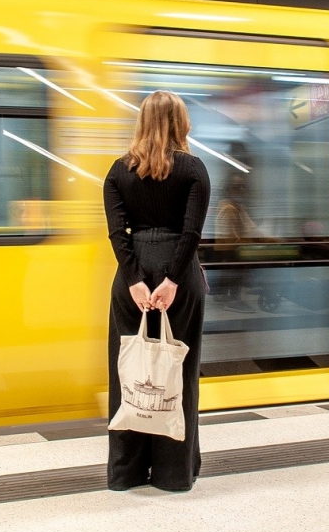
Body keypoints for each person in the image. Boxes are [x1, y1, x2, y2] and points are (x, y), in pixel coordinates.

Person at [103, 90, 210, 492]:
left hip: (130, 280)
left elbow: (118, 233)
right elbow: (192, 233)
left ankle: (126, 473)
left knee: (128, 372)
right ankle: (172, 474)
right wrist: (174, 280)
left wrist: (134, 280)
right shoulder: (194, 169)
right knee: (178, 374)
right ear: (180, 123)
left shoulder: (117, 171)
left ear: (142, 122)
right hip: (179, 276)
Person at [213, 174, 256, 313]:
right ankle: (234, 300)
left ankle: (229, 296)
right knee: (237, 266)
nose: (242, 190)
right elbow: (231, 238)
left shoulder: (238, 208)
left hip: (235, 250)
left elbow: (252, 229)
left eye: (243, 186)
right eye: (237, 187)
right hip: (230, 252)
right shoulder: (229, 208)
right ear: (228, 190)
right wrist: (252, 242)